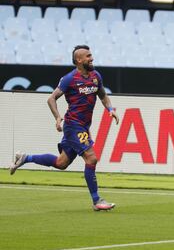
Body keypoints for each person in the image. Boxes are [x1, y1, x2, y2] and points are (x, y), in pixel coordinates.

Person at [9, 45, 120, 211]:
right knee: (91, 158)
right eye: (88, 56)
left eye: (91, 55)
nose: (92, 58)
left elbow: (102, 95)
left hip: (83, 126)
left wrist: (110, 109)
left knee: (61, 163)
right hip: (73, 126)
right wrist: (57, 117)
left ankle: (25, 158)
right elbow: (51, 99)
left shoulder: (96, 76)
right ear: (79, 60)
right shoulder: (70, 78)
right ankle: (97, 200)